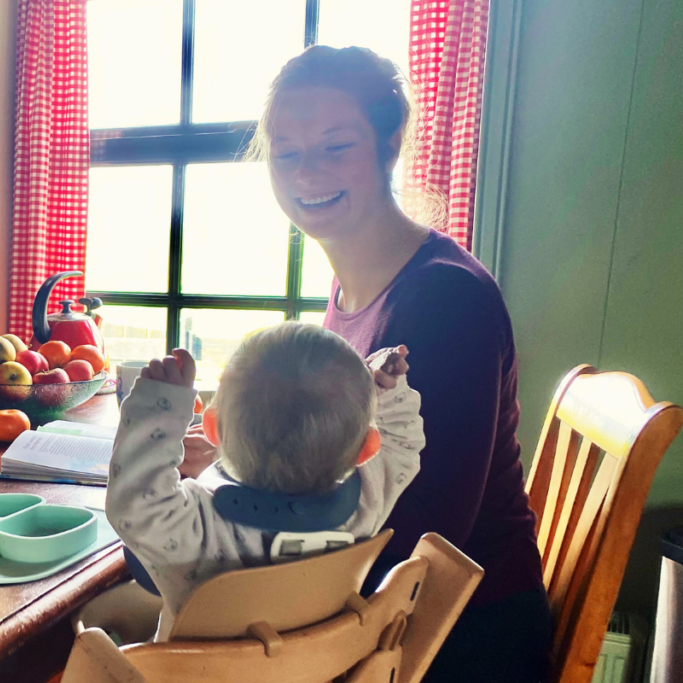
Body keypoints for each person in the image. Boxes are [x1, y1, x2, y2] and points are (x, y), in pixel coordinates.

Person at [181, 46, 550, 682]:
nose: (306, 172)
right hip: (373, 609)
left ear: (388, 145)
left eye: (334, 145)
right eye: (288, 151)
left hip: (452, 638)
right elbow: (340, 467)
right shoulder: (352, 290)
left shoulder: (445, 299)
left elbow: (423, 541)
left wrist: (235, 499)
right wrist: (234, 463)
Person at [107, 323, 425, 641]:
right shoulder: (366, 504)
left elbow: (134, 502)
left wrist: (159, 404)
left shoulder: (197, 529)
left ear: (212, 430)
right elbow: (401, 441)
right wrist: (388, 389)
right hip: (313, 671)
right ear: (367, 449)